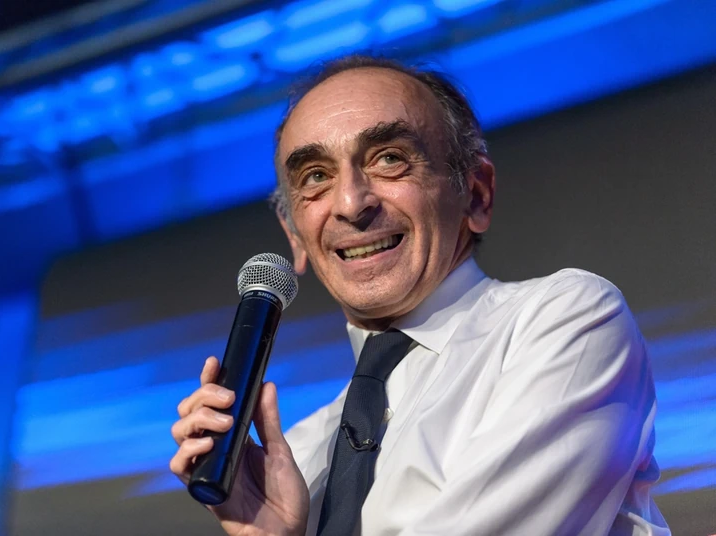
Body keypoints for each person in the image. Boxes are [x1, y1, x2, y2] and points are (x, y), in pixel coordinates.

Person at [169, 55, 670, 535]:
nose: (351, 204)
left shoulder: (567, 319)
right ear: (294, 236)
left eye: (389, 159)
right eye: (316, 177)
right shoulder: (294, 456)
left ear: (476, 193)